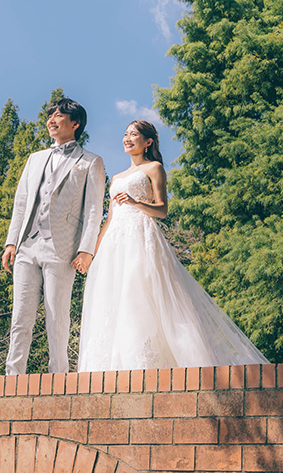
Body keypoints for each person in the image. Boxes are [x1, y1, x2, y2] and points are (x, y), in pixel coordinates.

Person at [77, 120, 267, 372]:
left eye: (134, 134)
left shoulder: (154, 168)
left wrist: (135, 202)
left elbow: (162, 210)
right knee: (112, 298)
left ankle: (149, 364)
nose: (127, 138)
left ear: (148, 142)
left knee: (139, 295)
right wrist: (93, 253)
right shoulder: (116, 177)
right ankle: (114, 366)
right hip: (114, 243)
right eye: (125, 134)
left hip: (140, 238)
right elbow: (109, 219)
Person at [2, 97, 105, 375]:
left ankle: (58, 376)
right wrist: (12, 241)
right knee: (20, 316)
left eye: (58, 115)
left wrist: (87, 250)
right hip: (27, 245)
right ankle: (13, 376)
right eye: (50, 115)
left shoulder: (91, 162)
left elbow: (94, 208)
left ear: (75, 123)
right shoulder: (35, 159)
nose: (51, 120)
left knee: (56, 316)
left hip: (62, 248)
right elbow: (21, 202)